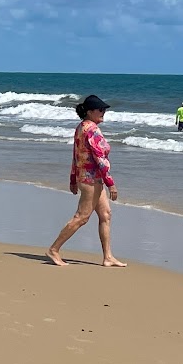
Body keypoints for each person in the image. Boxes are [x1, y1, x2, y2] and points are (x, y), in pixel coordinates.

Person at [46, 96, 125, 268]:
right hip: (91, 180)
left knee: (105, 215)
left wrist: (73, 179)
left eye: (104, 110)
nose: (103, 113)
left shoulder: (81, 127)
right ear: (90, 112)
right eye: (100, 110)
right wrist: (110, 182)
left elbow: (76, 155)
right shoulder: (92, 130)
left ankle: (108, 257)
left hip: (87, 177)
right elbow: (99, 159)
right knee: (81, 217)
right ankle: (54, 249)